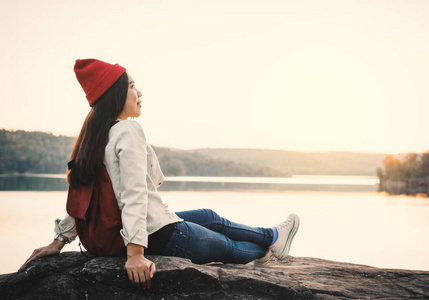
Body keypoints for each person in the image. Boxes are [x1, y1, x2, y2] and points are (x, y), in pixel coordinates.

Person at [19, 59, 300, 289]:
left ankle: (272, 234)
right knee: (230, 249)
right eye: (132, 87)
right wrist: (135, 254)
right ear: (115, 95)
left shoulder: (91, 138)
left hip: (128, 232)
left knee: (209, 216)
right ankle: (269, 250)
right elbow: (134, 194)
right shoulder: (127, 131)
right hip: (156, 234)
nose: (139, 93)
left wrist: (59, 241)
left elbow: (84, 199)